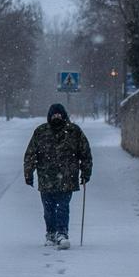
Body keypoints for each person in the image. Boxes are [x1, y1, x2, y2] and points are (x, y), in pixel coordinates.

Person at [23, 103, 92, 249]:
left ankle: (62, 233)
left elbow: (85, 153)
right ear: (49, 116)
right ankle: (51, 233)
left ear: (64, 115)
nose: (57, 117)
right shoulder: (41, 132)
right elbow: (30, 154)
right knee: (48, 210)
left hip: (67, 178)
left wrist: (86, 172)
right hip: (46, 178)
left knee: (62, 207)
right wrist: (28, 173)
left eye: (59, 115)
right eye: (54, 115)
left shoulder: (74, 131)